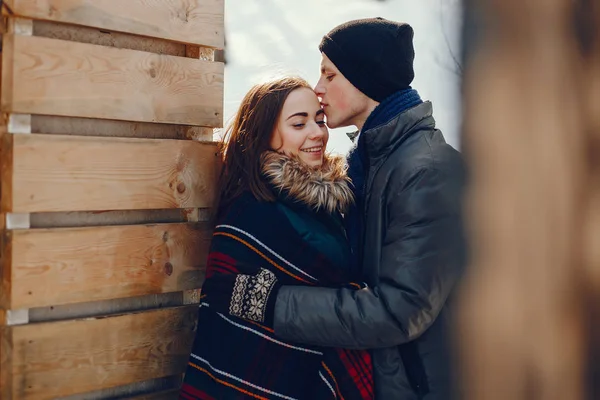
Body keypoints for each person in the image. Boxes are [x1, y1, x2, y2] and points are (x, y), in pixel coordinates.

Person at [202, 18, 466, 399]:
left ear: (364, 78)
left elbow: (401, 310)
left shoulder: (425, 170)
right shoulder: (371, 162)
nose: (319, 88)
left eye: (330, 75)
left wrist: (272, 303)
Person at [179, 76, 374, 400]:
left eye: (320, 120)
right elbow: (226, 312)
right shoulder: (250, 215)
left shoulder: (331, 209)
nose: (317, 133)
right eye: (299, 124)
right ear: (265, 134)